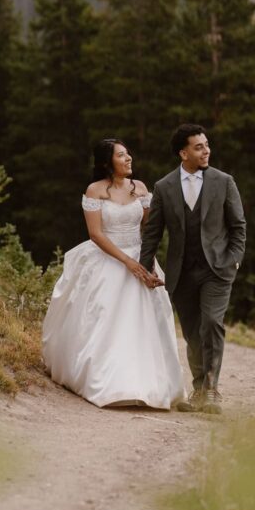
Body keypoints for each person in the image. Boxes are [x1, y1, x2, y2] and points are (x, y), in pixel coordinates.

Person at [42, 138, 186, 409]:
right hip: (107, 258)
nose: (129, 158)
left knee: (146, 321)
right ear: (107, 162)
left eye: (128, 153)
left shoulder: (140, 188)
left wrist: (146, 262)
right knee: (104, 317)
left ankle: (150, 385)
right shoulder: (95, 190)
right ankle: (107, 382)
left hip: (140, 256)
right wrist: (127, 263)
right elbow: (96, 234)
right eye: (121, 155)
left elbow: (149, 229)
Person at [140, 124, 246, 414]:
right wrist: (145, 266)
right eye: (199, 147)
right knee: (192, 332)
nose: (206, 150)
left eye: (207, 145)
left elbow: (238, 227)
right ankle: (199, 390)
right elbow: (153, 232)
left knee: (211, 323)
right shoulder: (164, 187)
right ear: (183, 153)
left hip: (217, 270)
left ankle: (211, 389)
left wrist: (233, 260)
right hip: (182, 272)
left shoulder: (224, 181)